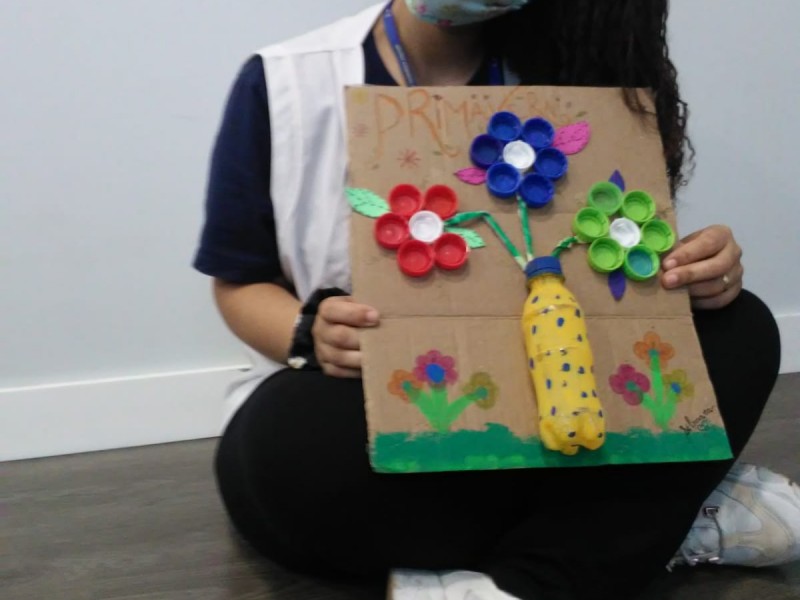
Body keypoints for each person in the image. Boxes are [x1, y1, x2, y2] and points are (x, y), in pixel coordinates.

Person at [194, 1, 797, 598]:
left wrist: (699, 272)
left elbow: (616, 277)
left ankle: (526, 582)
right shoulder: (285, 82)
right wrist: (308, 332)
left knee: (741, 328)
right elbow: (238, 282)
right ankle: (642, 524)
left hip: (554, 411)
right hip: (370, 404)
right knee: (293, 446)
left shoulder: (575, 70)